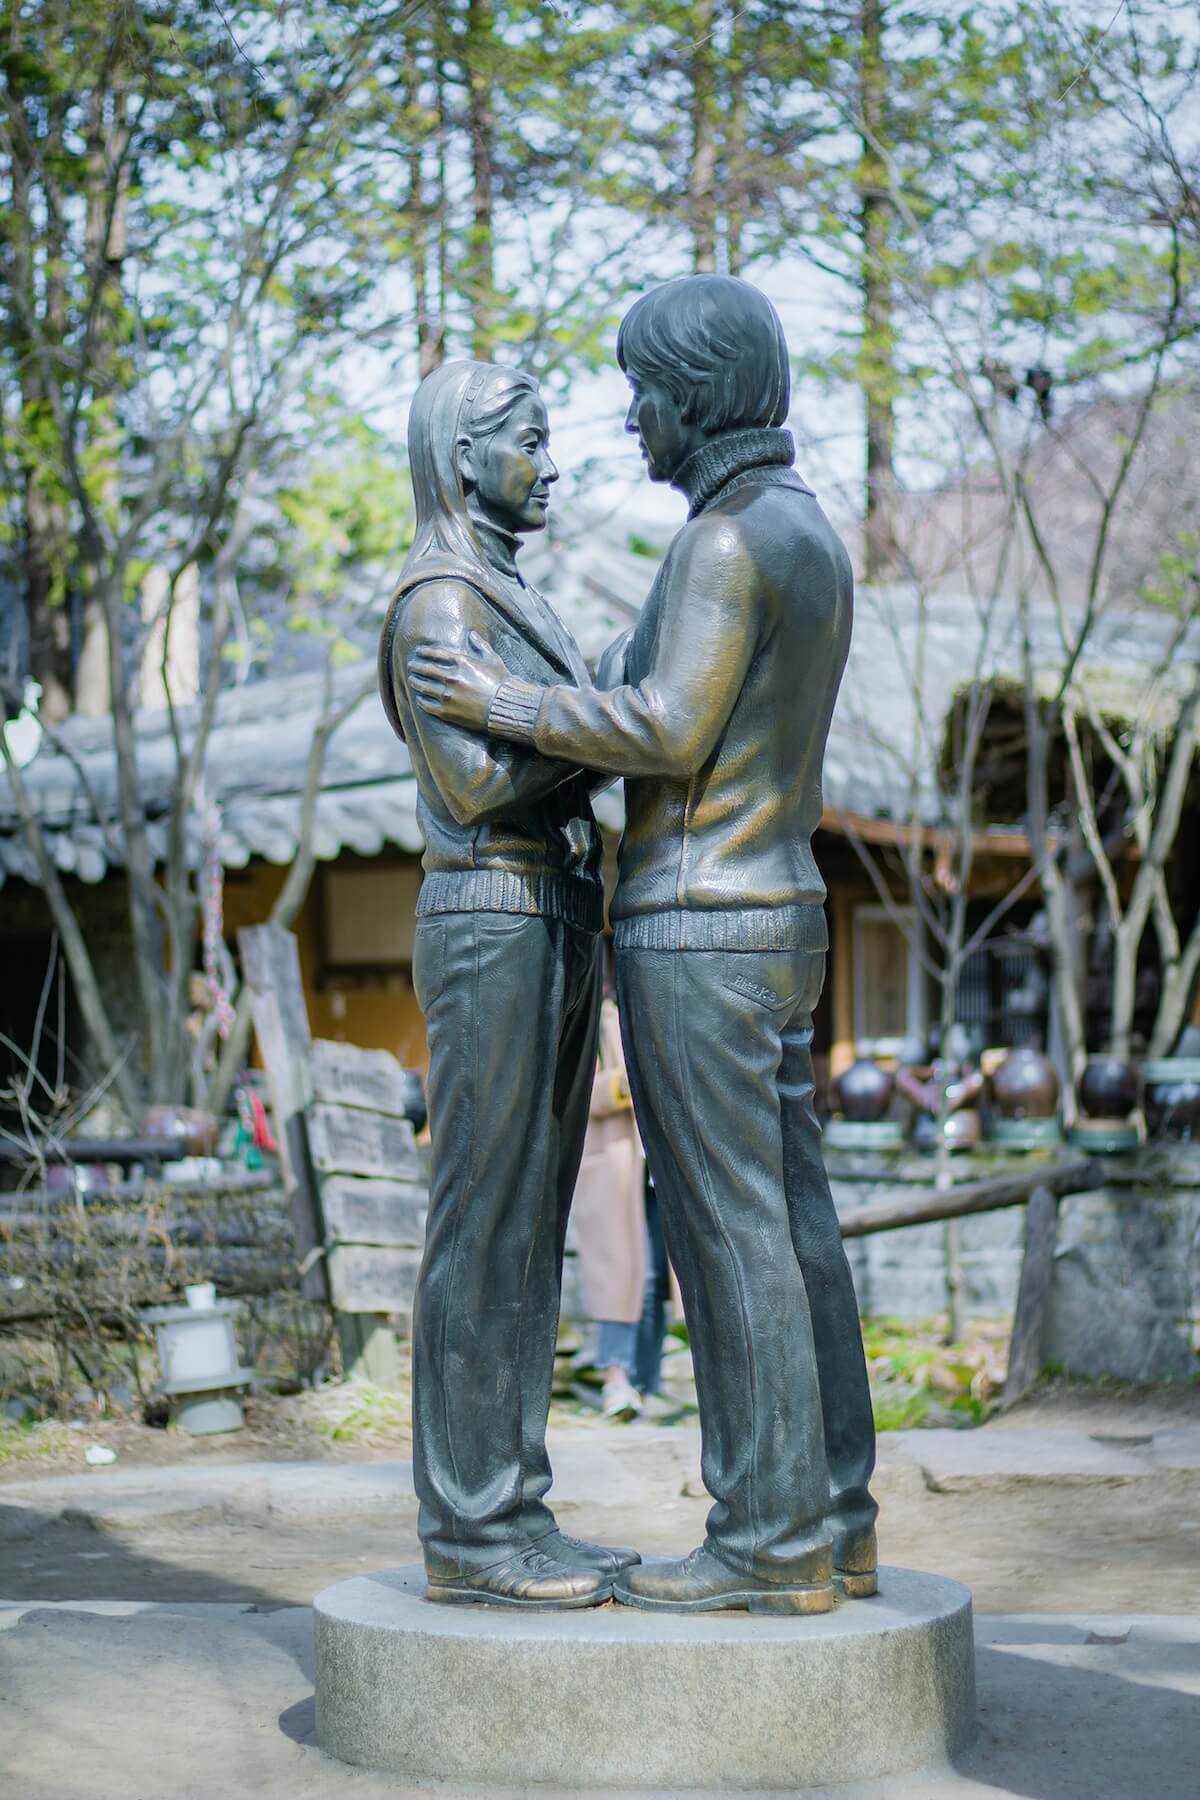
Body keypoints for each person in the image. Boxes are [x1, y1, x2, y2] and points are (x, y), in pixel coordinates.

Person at [410, 276, 878, 1615]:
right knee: (792, 1224)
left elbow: (667, 728)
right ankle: (834, 1518)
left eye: (641, 392)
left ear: (696, 392)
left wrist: (506, 698)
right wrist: (560, 689)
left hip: (699, 921)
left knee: (728, 1235)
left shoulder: (722, 543)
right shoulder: (802, 531)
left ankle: (767, 1538)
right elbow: (629, 683)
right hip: (778, 910)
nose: (630, 420)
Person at [378, 359, 636, 1609]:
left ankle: (516, 1506)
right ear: (462, 456)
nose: (552, 458)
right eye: (531, 439)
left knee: (529, 1231)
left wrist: (556, 719)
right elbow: (479, 784)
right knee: (480, 1228)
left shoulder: (504, 594)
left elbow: (523, 738)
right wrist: (592, 732)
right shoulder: (439, 603)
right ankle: (469, 1530)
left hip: (549, 915)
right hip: (489, 916)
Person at [573, 983, 668, 1419]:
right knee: (622, 1275)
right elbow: (577, 1093)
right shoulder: (594, 1018)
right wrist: (636, 1079)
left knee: (654, 1279)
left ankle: (645, 1383)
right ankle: (617, 1380)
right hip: (614, 1165)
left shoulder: (661, 1012)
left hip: (656, 1167)